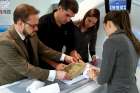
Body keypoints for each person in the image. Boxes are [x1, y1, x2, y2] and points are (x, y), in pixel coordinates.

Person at [0, 4, 77, 86]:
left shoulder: (31, 34)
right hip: (12, 84)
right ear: (20, 23)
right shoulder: (5, 43)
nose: (36, 29)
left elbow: (44, 50)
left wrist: (65, 57)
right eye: (33, 26)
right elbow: (26, 69)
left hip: (31, 79)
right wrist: (56, 74)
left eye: (37, 25)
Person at [88, 11, 140, 93]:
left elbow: (102, 80)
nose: (106, 33)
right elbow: (123, 69)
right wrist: (101, 72)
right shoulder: (132, 39)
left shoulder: (111, 41)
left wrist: (93, 76)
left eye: (105, 29)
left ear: (108, 24)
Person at [37, 0, 79, 70]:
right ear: (60, 8)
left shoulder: (69, 24)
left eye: (71, 17)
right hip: (43, 66)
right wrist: (55, 65)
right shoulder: (43, 23)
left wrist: (74, 54)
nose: (68, 20)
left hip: (59, 60)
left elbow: (71, 45)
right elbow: (39, 51)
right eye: (67, 15)